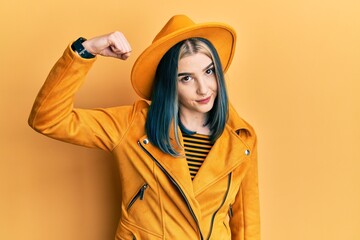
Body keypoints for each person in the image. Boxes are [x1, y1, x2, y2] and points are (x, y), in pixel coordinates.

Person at [28, 14, 260, 240]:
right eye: (186, 78)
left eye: (209, 72)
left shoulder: (241, 139)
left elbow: (247, 224)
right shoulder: (133, 125)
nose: (203, 89)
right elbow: (48, 118)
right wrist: (87, 50)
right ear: (169, 83)